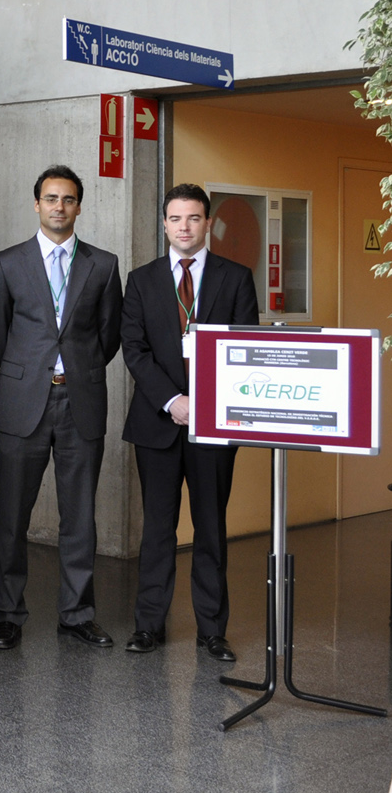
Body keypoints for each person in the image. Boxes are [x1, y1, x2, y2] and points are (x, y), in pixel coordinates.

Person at [0, 165, 123, 652]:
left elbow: (108, 337)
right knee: (12, 515)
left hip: (80, 399)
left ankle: (77, 613)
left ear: (79, 206)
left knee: (79, 515)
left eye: (68, 199)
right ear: (36, 204)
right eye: (50, 198)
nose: (59, 206)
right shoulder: (7, 262)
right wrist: (32, 371)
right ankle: (5, 614)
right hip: (24, 402)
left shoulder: (103, 265)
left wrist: (72, 370)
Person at [121, 183, 257, 661]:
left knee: (211, 528)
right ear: (164, 224)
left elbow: (244, 353)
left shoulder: (236, 278)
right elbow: (133, 351)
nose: (185, 227)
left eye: (194, 218)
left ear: (207, 223)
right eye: (176, 219)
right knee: (157, 528)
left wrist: (206, 404)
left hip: (215, 424)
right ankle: (148, 626)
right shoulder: (140, 280)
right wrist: (174, 400)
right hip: (158, 423)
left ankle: (212, 631)